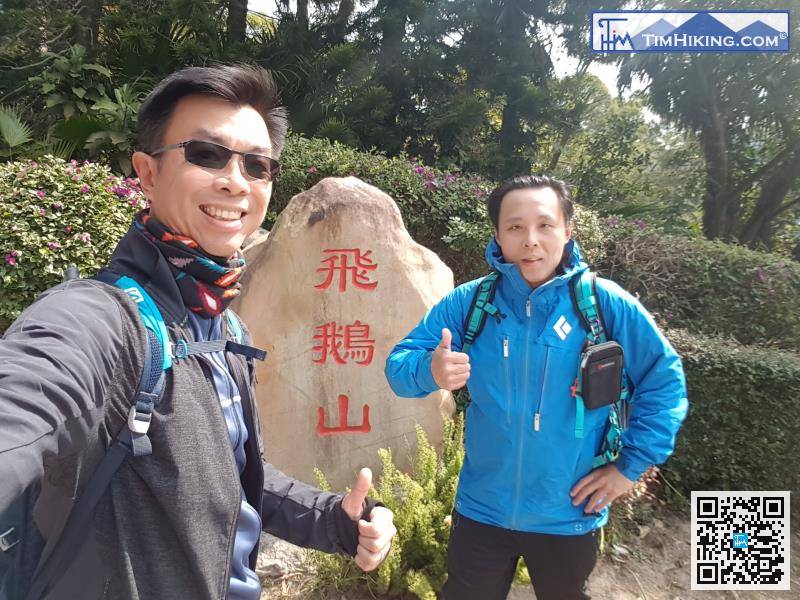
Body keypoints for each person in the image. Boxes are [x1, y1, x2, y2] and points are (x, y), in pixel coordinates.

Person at [0, 64, 395, 600]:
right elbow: (27, 401)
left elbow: (226, 474)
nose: (236, 180)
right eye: (206, 154)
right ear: (148, 171)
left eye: (258, 166)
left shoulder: (221, 321)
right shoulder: (101, 318)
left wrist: (333, 519)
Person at [384, 175, 687, 600]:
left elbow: (665, 381)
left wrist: (628, 468)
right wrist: (429, 370)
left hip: (569, 513)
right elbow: (398, 366)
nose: (530, 240)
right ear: (497, 235)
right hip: (482, 510)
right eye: (515, 227)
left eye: (545, 225)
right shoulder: (470, 303)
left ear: (567, 231)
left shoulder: (604, 305)